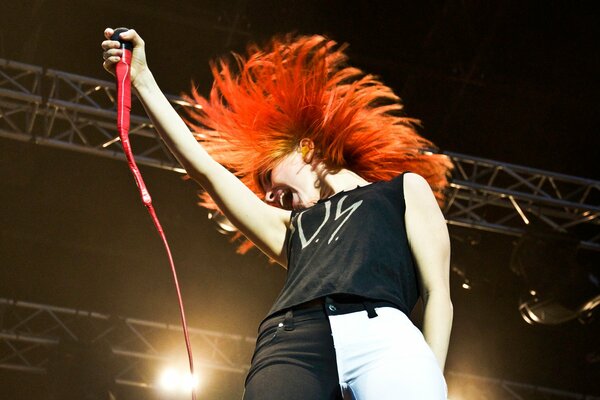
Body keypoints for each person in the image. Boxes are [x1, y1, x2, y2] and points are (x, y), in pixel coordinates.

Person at [102, 28, 453, 399]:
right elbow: (205, 168)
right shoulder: (290, 226)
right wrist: (142, 80)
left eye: (269, 176)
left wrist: (430, 375)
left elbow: (437, 295)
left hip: (385, 336)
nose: (269, 195)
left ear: (305, 150)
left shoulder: (403, 191)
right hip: (291, 343)